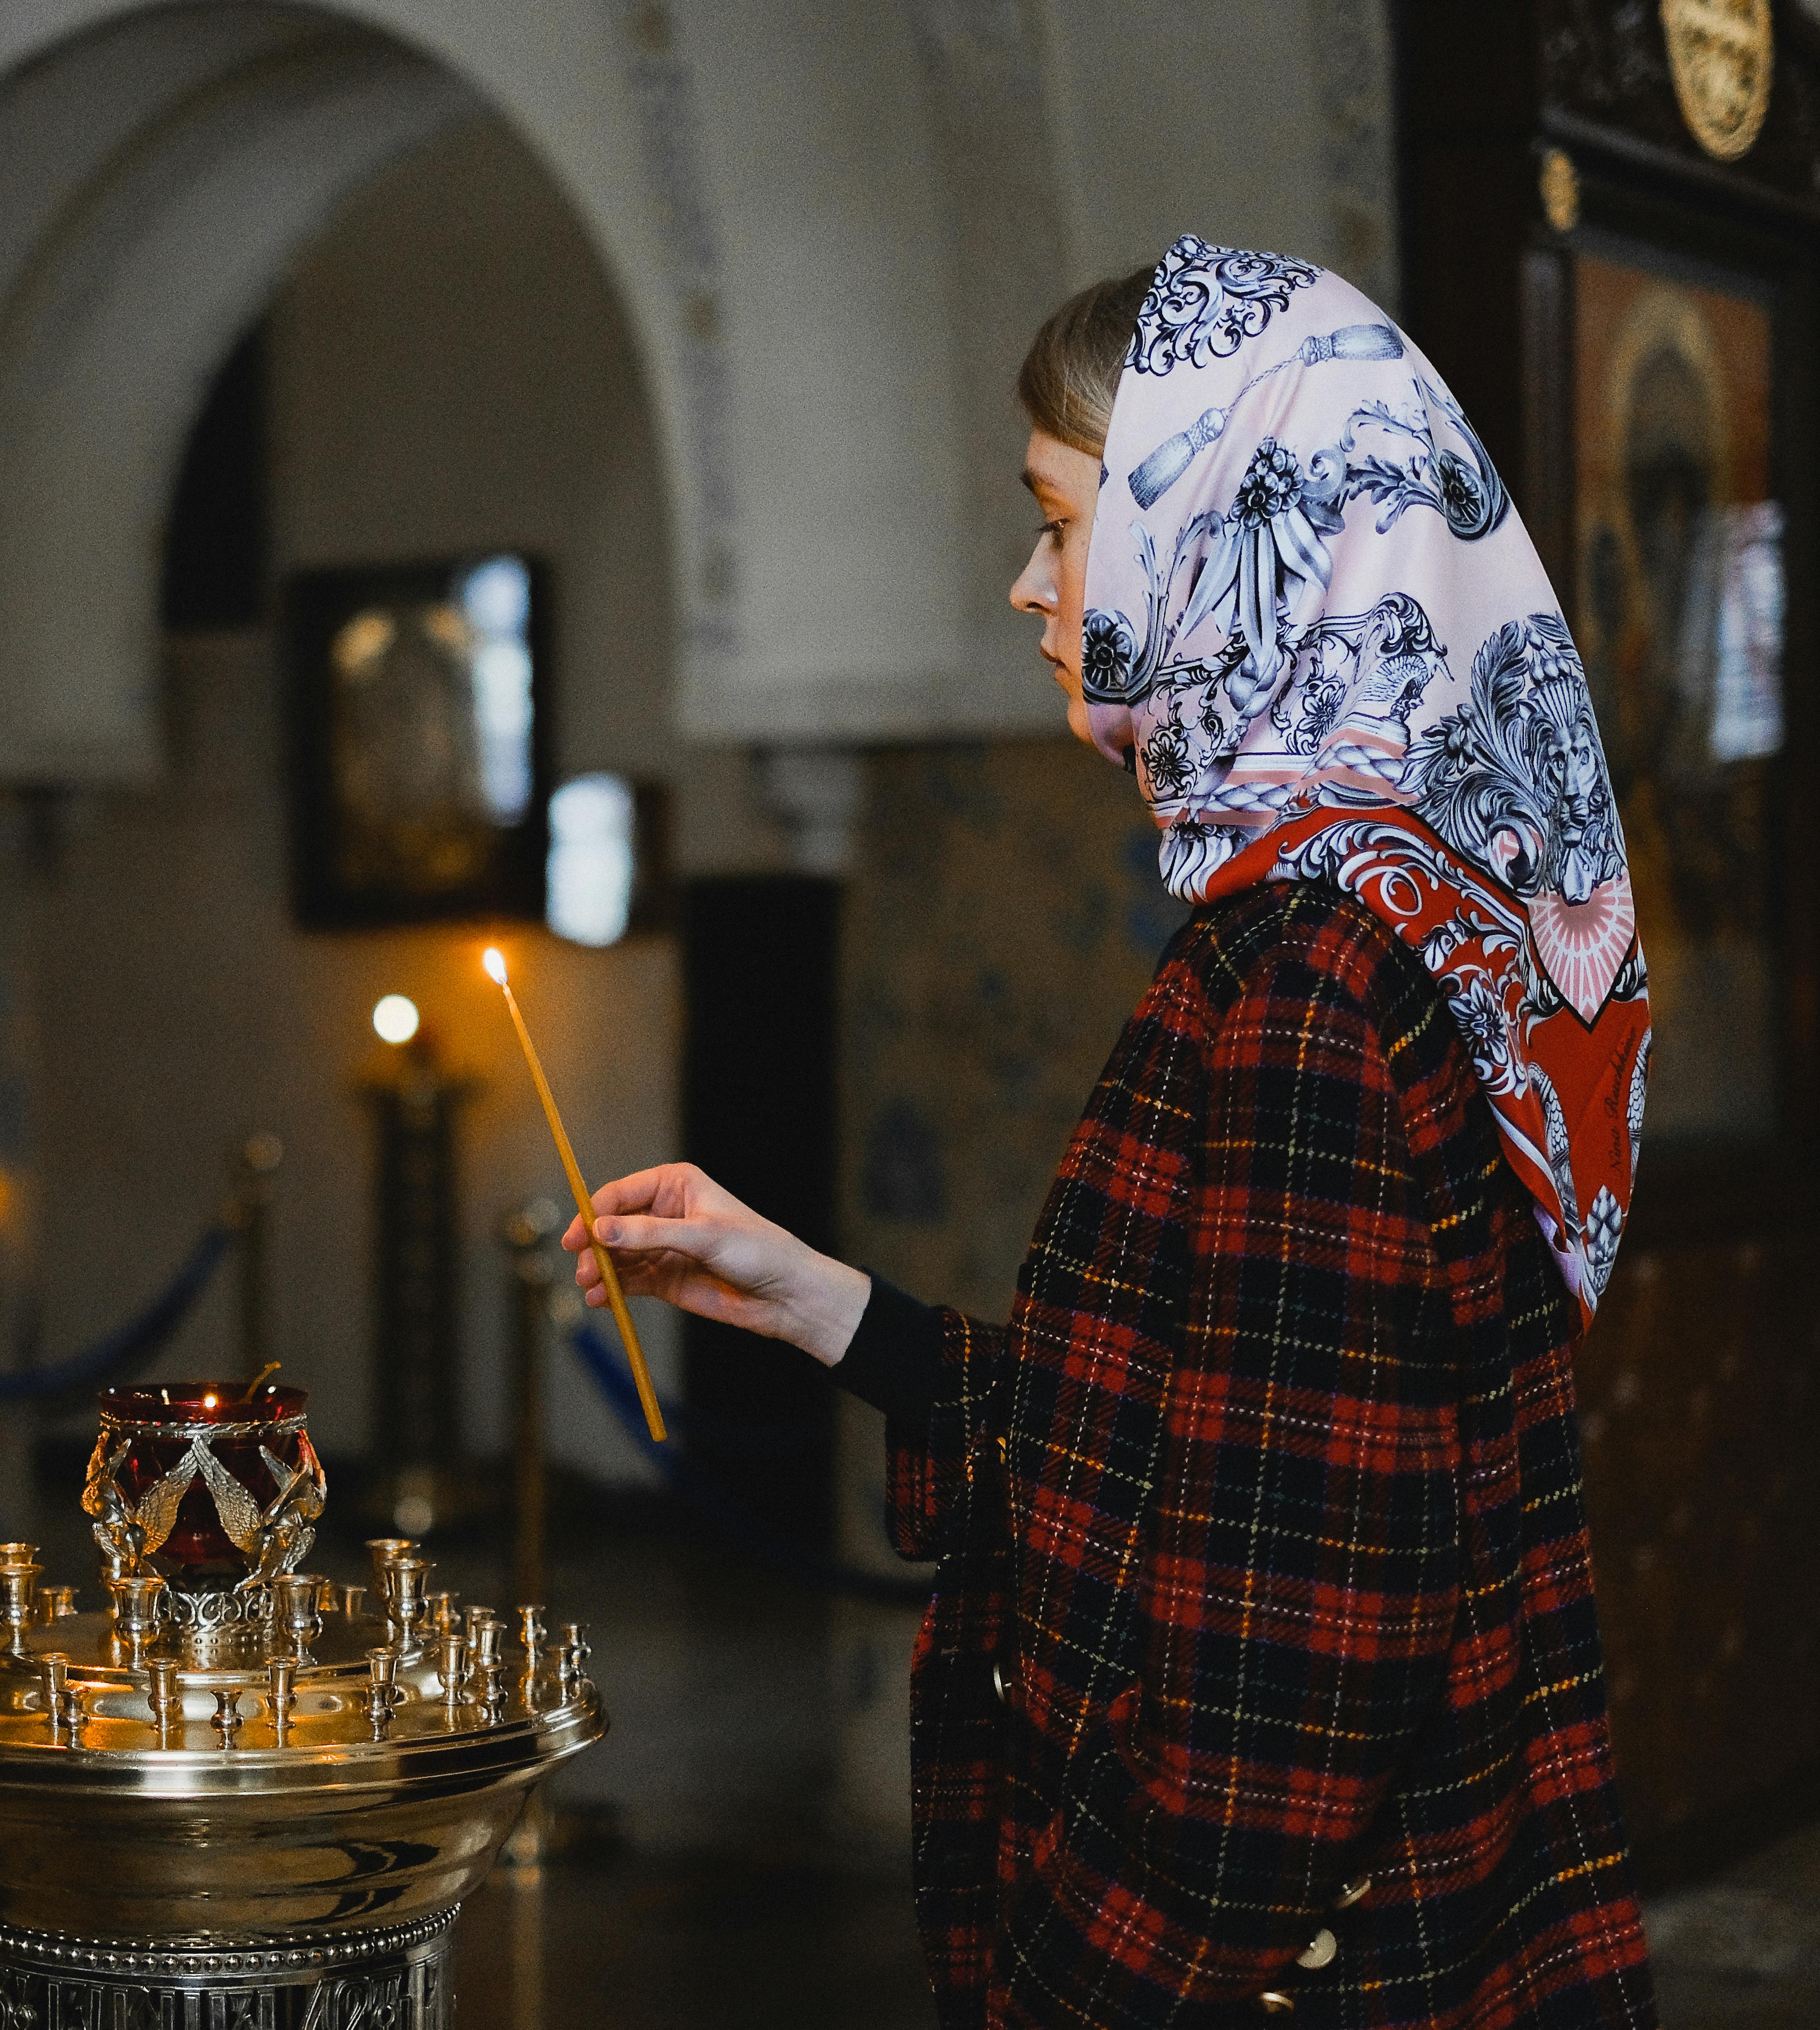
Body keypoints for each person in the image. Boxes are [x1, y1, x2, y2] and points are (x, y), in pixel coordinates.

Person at [565, 238, 1660, 2026]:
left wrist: (1061, 1999)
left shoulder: (1312, 984)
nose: (1028, 583)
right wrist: (818, 1304)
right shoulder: (1380, 907)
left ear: (1232, 537)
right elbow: (1186, 1466)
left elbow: (1278, 1726)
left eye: (1063, 522)